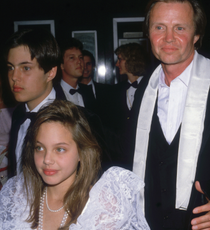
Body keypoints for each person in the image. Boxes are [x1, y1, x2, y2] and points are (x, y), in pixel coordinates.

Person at [117, 0, 210, 229]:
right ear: (148, 33)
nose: (168, 38)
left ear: (196, 34)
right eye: (159, 27)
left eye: (180, 27)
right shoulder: (142, 92)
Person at [0, 100, 150, 230]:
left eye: (60, 149)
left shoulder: (102, 207)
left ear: (81, 152)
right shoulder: (17, 196)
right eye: (40, 148)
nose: (47, 159)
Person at [4, 28, 66, 177]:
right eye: (10, 68)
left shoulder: (75, 119)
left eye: (25, 68)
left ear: (50, 72)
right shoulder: (19, 114)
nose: (14, 77)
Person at [59, 39, 96, 111]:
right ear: (62, 65)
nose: (79, 61)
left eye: (80, 57)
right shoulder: (53, 93)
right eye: (72, 58)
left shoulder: (88, 91)